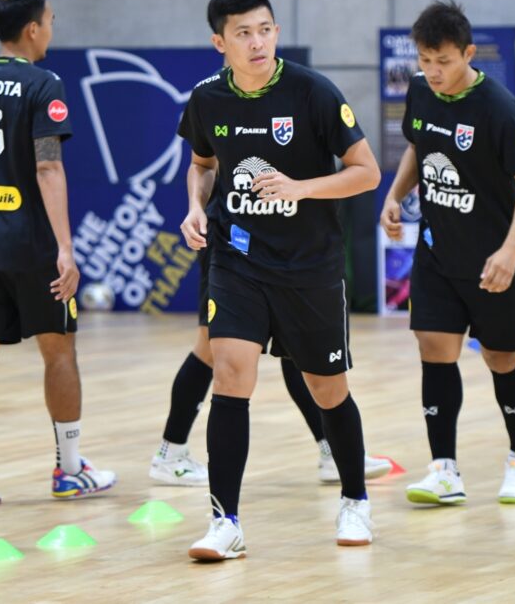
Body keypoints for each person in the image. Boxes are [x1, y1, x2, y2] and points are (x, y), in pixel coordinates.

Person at [178, 0, 381, 560]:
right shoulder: (207, 99)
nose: (257, 42)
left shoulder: (313, 92)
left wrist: (301, 188)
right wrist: (195, 205)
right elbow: (202, 164)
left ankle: (355, 499)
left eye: (265, 29)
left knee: (326, 388)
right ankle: (225, 522)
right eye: (243, 33)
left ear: (277, 32)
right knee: (230, 373)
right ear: (220, 42)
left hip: (310, 266)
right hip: (237, 258)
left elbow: (366, 172)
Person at [0, 0, 115, 508]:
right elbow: (47, 166)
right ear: (33, 28)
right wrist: (65, 247)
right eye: (51, 21)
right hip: (33, 244)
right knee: (58, 352)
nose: (52, 30)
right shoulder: (44, 84)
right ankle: (68, 470)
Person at [380, 0, 515, 507]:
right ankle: (444, 469)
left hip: (494, 258)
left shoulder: (497, 107)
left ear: (468, 54)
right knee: (433, 347)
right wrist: (395, 194)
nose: (433, 71)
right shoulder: (420, 91)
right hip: (437, 252)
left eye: (443, 61)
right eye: (425, 60)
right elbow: (417, 146)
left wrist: (510, 251)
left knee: (502, 357)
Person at [151, 182, 391, 486]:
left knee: (297, 348)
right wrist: (197, 207)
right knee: (210, 346)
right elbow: (203, 163)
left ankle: (331, 450)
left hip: (282, 238)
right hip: (234, 240)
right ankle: (170, 451)